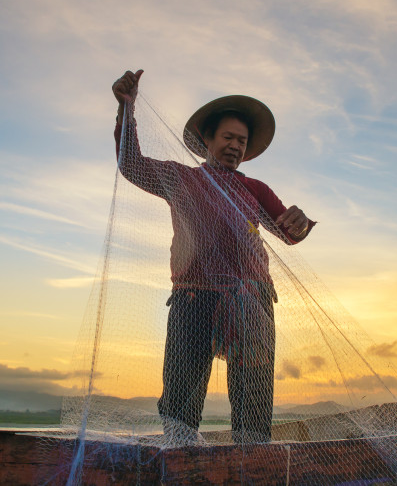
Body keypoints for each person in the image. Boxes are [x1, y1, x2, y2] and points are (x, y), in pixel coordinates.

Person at [112, 69, 315, 444]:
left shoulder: (255, 189)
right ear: (207, 139)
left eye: (242, 140)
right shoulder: (182, 179)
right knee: (181, 397)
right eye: (228, 138)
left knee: (253, 400)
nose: (236, 146)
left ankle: (252, 464)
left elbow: (289, 232)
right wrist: (127, 111)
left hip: (252, 301)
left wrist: (299, 223)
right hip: (194, 297)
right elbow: (131, 164)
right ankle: (179, 457)